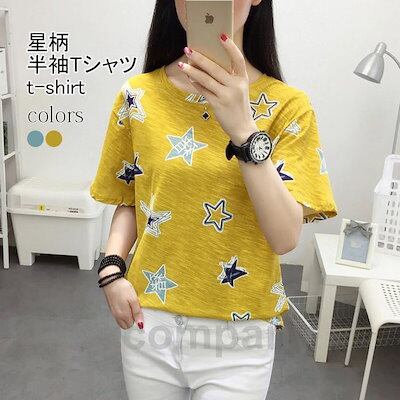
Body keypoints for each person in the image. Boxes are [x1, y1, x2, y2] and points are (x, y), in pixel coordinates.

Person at [90, 1, 338, 399]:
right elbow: (132, 198)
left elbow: (285, 238)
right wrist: (112, 271)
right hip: (150, 320)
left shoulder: (290, 107)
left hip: (240, 334)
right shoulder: (138, 95)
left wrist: (243, 129)